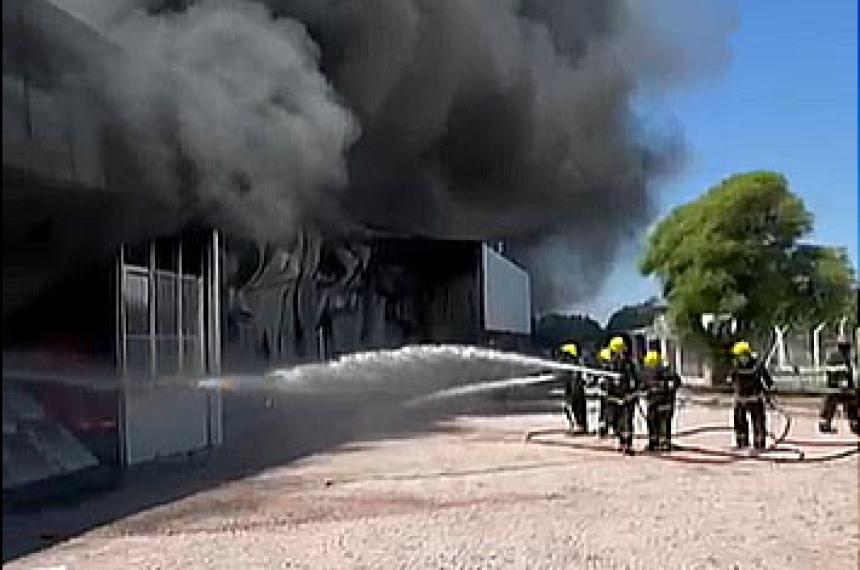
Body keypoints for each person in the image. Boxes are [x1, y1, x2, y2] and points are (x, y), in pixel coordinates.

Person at [728, 341, 774, 451]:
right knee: (739, 420)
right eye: (739, 357)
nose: (741, 359)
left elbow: (768, 381)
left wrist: (768, 393)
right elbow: (731, 380)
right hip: (740, 399)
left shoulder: (757, 366)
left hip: (755, 398)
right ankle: (742, 442)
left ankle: (759, 443)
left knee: (758, 421)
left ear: (747, 355)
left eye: (743, 356)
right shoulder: (735, 366)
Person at [642, 350, 682, 452]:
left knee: (663, 422)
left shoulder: (667, 373)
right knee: (653, 422)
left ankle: (663, 442)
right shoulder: (648, 373)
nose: (651, 367)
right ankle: (654, 442)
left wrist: (663, 387)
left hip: (664, 402)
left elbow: (676, 383)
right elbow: (643, 386)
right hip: (654, 403)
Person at [607, 336, 640, 455]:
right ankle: (622, 442)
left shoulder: (629, 365)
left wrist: (631, 395)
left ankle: (627, 444)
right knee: (616, 422)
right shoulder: (610, 365)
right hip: (614, 399)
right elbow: (607, 383)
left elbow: (634, 381)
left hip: (627, 398)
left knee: (626, 421)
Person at [819, 338, 859, 435]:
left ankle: (825, 423)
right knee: (852, 403)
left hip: (834, 387)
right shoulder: (841, 357)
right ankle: (854, 423)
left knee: (830, 405)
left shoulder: (834, 356)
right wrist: (845, 384)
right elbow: (841, 373)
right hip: (840, 387)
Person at [558, 342, 588, 433]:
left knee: (576, 407)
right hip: (573, 388)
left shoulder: (575, 363)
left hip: (575, 389)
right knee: (571, 407)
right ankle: (577, 425)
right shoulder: (572, 362)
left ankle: (579, 426)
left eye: (565, 353)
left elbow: (576, 378)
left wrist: (572, 392)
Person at [595, 347, 614, 437]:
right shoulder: (603, 368)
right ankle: (603, 427)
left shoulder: (610, 368)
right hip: (604, 394)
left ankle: (606, 427)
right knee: (603, 412)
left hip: (609, 394)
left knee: (607, 411)